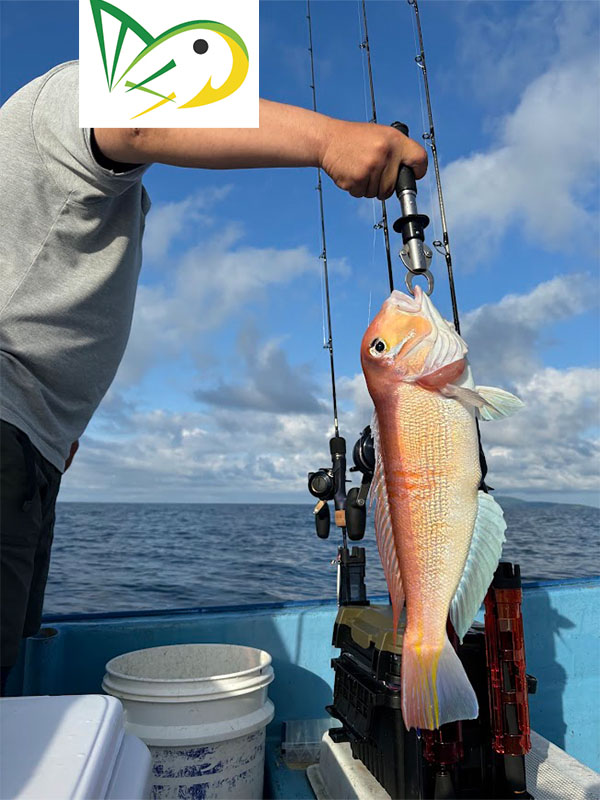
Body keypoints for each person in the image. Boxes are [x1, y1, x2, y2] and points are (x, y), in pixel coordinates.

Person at [0, 60, 427, 692]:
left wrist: (53, 422)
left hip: (32, 447)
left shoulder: (83, 176)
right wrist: (328, 139)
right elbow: (132, 115)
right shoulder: (73, 89)